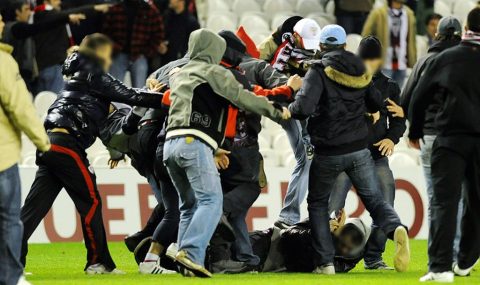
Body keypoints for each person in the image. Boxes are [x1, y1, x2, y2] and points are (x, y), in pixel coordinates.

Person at [20, 33, 164, 274]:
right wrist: (165, 97)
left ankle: (9, 262)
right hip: (68, 143)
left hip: (49, 143)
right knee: (91, 201)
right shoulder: (94, 73)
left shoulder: (75, 75)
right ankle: (98, 262)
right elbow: (132, 96)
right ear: (100, 53)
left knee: (34, 208)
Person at [163, 28, 290, 278]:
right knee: (212, 201)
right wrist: (276, 110)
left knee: (189, 205)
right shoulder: (213, 72)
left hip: (170, 144)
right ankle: (189, 251)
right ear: (214, 49)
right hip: (193, 141)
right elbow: (242, 98)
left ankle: (186, 259)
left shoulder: (179, 73)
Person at [288, 24, 410, 275]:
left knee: (320, 206)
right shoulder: (360, 72)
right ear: (346, 47)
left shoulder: (319, 70)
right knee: (377, 201)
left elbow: (303, 109)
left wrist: (294, 95)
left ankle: (327, 262)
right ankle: (395, 227)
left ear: (321, 46)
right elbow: (376, 101)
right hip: (360, 152)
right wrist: (374, 110)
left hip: (333, 152)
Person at [410, 8, 480, 283]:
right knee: (476, 203)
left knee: (443, 203)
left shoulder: (446, 58)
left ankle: (440, 267)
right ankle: (465, 260)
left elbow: (419, 95)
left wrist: (415, 130)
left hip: (450, 140)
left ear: (466, 28)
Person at [329, 35, 406, 270]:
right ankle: (326, 256)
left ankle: (373, 258)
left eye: (372, 59)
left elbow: (399, 121)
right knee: (333, 207)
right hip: (346, 155)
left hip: (375, 157)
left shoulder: (390, 87)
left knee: (386, 205)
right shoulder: (344, 81)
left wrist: (391, 139)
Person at [401, 16, 463, 265]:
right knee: (458, 198)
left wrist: (413, 131)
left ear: (436, 34)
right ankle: (458, 257)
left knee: (437, 200)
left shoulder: (424, 62)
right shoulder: (466, 62)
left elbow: (406, 100)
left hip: (427, 136)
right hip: (458, 137)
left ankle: (438, 258)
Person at [0, 14, 50, 285]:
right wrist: (43, 142)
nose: (2, 26)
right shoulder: (3, 62)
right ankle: (10, 278)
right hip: (2, 157)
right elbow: (20, 108)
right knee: (8, 220)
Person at [259, 17, 321, 228]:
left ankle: (300, 214)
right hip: (287, 107)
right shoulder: (279, 49)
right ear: (295, 36)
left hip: (306, 107)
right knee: (306, 158)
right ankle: (288, 216)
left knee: (311, 159)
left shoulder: (315, 51)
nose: (311, 49)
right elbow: (264, 71)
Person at [1, 0, 87, 91]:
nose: (29, 12)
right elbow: (37, 27)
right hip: (19, 75)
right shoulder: (14, 28)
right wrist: (66, 18)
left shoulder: (14, 28)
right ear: (17, 12)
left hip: (28, 75)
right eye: (26, 9)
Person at [33, 0, 110, 94]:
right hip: (52, 66)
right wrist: (94, 8)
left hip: (46, 66)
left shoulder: (45, 15)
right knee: (53, 102)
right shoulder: (44, 13)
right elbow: (64, 14)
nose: (59, 2)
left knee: (42, 103)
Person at [103, 0, 165, 88]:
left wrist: (147, 52)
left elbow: (158, 34)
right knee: (113, 88)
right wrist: (114, 48)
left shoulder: (149, 10)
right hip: (118, 53)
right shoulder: (116, 9)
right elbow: (106, 33)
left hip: (139, 55)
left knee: (140, 90)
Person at [362, 0, 417, 87]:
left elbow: (412, 40)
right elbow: (366, 35)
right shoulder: (378, 12)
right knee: (382, 95)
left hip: (402, 62)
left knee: (397, 96)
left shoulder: (409, 14)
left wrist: (413, 60)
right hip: (383, 62)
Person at [159, 0, 200, 65]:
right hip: (165, 61)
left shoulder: (191, 22)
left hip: (182, 64)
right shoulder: (167, 17)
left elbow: (194, 47)